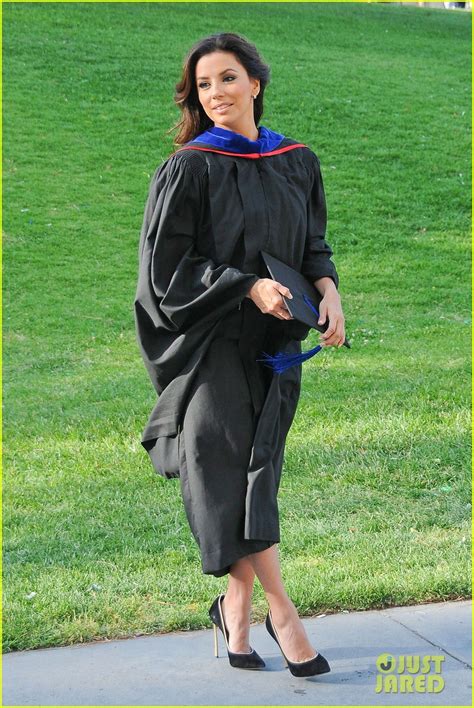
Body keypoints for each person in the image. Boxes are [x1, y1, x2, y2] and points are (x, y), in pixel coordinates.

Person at [134, 32, 345, 677]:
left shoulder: (295, 160)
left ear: (255, 83)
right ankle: (283, 612)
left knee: (259, 470)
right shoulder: (191, 167)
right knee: (224, 470)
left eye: (228, 79)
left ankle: (236, 607)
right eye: (204, 85)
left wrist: (330, 295)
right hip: (209, 342)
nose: (216, 94)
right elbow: (166, 270)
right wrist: (246, 287)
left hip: (275, 343)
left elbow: (312, 245)